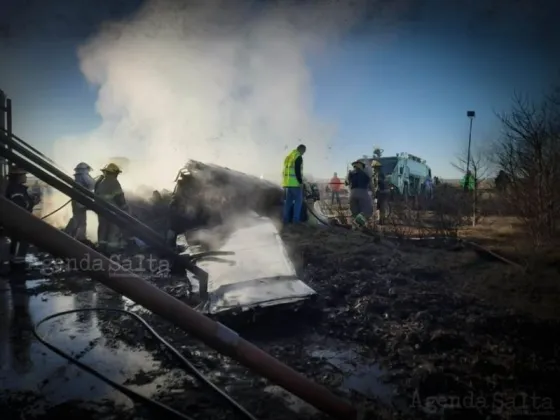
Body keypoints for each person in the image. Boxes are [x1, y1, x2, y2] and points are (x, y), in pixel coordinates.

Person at [4, 166, 40, 271]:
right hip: (19, 225)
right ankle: (17, 270)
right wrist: (33, 203)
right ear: (18, 177)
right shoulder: (16, 190)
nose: (26, 177)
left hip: (20, 224)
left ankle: (17, 265)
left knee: (19, 246)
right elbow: (19, 208)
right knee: (19, 246)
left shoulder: (17, 188)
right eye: (24, 175)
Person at [94, 163, 127, 254]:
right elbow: (119, 197)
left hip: (100, 210)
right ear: (114, 173)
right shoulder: (114, 182)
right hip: (112, 211)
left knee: (102, 228)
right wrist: (125, 208)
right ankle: (112, 249)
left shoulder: (101, 181)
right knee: (114, 229)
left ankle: (101, 247)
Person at [65, 162, 95, 241]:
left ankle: (74, 235)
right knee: (80, 220)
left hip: (77, 201)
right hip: (80, 202)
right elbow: (92, 184)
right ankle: (77, 236)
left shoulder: (78, 177)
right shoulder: (84, 176)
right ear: (84, 169)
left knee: (78, 219)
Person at [346, 160, 374, 228]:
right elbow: (371, 185)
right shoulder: (366, 173)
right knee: (367, 211)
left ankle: (356, 226)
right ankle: (361, 225)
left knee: (355, 211)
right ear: (362, 166)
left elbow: (346, 183)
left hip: (352, 193)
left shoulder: (351, 173)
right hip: (363, 192)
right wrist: (374, 192)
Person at [282, 144, 306, 224]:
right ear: (301, 150)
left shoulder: (289, 156)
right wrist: (300, 182)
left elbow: (284, 170)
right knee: (298, 201)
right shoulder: (298, 157)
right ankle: (295, 220)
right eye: (304, 151)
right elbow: (297, 170)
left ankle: (285, 219)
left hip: (288, 183)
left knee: (288, 202)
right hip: (295, 183)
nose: (303, 153)